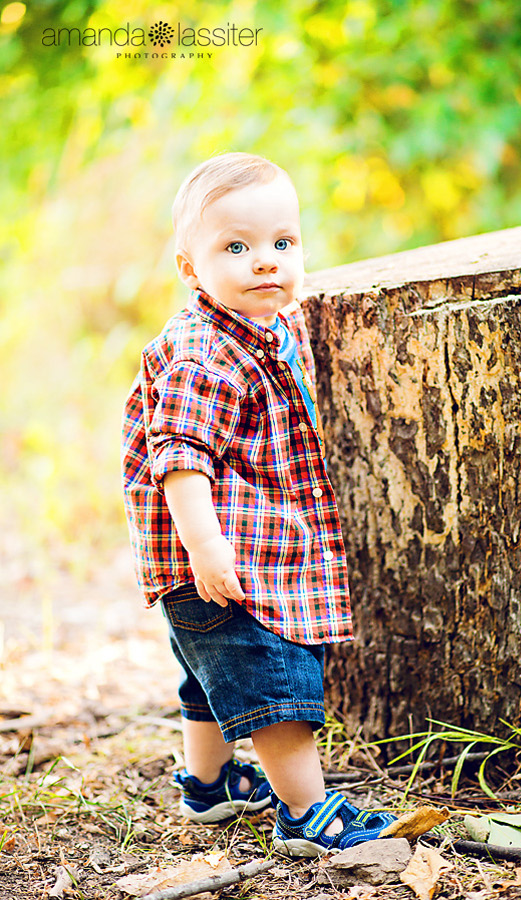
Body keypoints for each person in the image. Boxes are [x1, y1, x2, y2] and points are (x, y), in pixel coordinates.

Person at [121, 152, 396, 856]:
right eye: (236, 248)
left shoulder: (261, 322)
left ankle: (207, 786)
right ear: (190, 269)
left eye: (283, 244)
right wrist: (206, 547)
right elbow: (180, 456)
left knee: (206, 677)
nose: (265, 263)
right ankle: (305, 813)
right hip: (223, 559)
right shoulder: (202, 354)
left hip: (225, 559)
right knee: (276, 682)